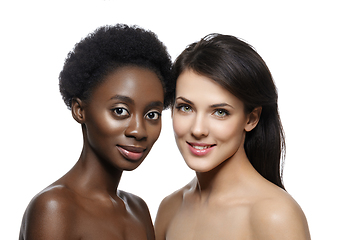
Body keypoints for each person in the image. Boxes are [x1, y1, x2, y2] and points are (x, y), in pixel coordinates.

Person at [19, 24, 174, 240]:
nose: (139, 130)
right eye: (120, 111)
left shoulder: (138, 210)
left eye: (152, 115)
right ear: (80, 110)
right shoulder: (55, 207)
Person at [155, 34, 311, 239]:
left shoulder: (274, 215)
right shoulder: (170, 208)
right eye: (186, 107)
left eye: (220, 112)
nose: (198, 129)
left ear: (251, 119)